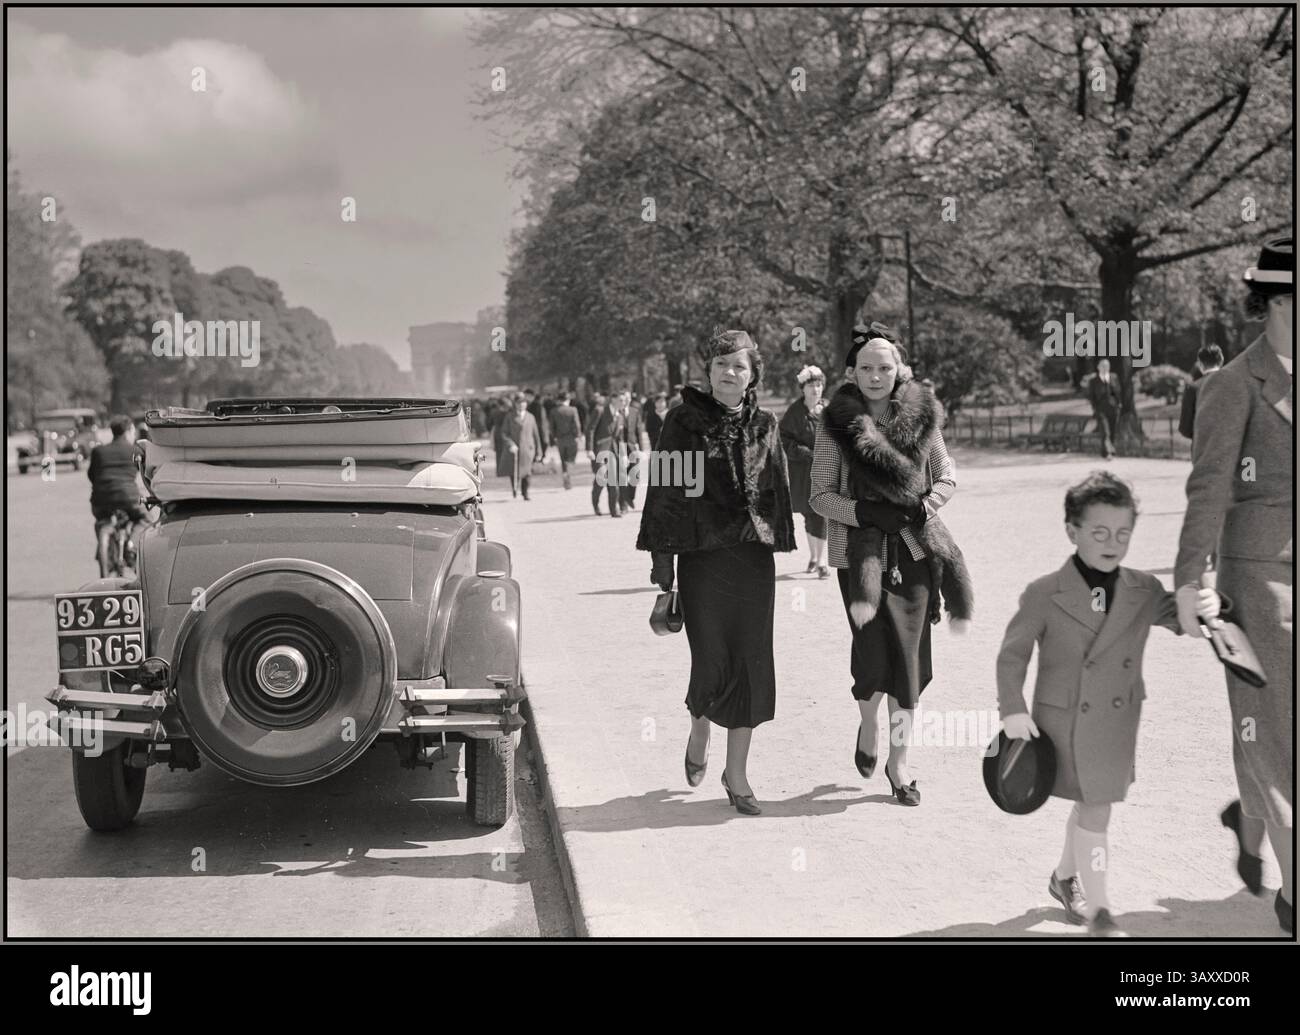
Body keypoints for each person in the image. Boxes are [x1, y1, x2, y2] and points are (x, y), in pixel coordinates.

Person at [998, 472, 1213, 936]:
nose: (1112, 543)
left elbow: (1181, 617)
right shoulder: (1044, 592)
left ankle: (1064, 880)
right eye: (1099, 532)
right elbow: (1012, 654)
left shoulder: (1143, 589)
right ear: (1072, 531)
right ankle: (1098, 911)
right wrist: (1012, 709)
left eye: (1123, 533)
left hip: (1115, 722)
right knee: (1093, 806)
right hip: (1061, 723)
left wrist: (1209, 606)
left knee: (1093, 805)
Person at [1174, 235, 1293, 934]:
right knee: (1276, 737)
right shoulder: (1231, 385)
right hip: (1263, 587)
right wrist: (1194, 580)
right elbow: (1208, 491)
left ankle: (1251, 818)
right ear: (1279, 302)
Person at [637, 330, 795, 815]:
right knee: (711, 658)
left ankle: (738, 774)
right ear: (708, 371)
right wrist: (663, 562)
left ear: (753, 376)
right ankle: (700, 721)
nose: (730, 373)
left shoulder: (766, 424)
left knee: (752, 660)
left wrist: (782, 535)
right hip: (703, 560)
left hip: (752, 560)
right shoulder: (682, 422)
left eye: (740, 366)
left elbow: (778, 486)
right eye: (722, 364)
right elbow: (665, 492)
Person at [810, 325, 964, 808]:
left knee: (909, 663)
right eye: (866, 368)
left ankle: (900, 765)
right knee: (873, 658)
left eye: (884, 366)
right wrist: (863, 514)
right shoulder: (835, 424)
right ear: (852, 373)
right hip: (860, 558)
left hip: (915, 554)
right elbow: (818, 496)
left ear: (899, 369)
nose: (876, 375)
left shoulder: (923, 416)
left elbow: (948, 475)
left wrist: (926, 505)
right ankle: (869, 722)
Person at [779, 364, 829, 577]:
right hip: (802, 471)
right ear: (803, 389)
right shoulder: (794, 412)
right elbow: (783, 438)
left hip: (825, 470)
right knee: (809, 513)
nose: (815, 390)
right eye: (811, 386)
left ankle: (823, 561)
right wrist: (804, 452)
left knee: (824, 513)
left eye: (818, 385)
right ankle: (814, 557)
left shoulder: (829, 410)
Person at [88, 415, 149, 576]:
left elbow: (92, 476)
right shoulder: (135, 450)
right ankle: (132, 546)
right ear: (129, 431)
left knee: (100, 521)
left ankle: (105, 553)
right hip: (128, 498)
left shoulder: (98, 451)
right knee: (145, 518)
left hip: (101, 500)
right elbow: (146, 475)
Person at [494, 393, 542, 500]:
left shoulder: (531, 417)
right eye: (519, 403)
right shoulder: (509, 417)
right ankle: (515, 488)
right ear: (515, 404)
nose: (522, 405)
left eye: (524, 402)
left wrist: (539, 451)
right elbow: (504, 433)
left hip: (528, 449)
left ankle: (525, 493)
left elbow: (536, 435)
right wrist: (510, 444)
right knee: (514, 471)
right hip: (514, 449)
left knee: (527, 472)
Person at [585, 391, 624, 517]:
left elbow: (619, 437)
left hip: (613, 452)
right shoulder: (600, 411)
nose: (624, 403)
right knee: (601, 480)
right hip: (599, 451)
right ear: (613, 399)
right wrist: (589, 449)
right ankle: (595, 503)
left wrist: (623, 454)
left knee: (614, 481)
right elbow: (590, 430)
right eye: (621, 400)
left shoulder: (620, 415)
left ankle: (614, 510)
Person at [1177, 345, 1224, 441]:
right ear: (1221, 360)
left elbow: (1185, 428)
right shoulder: (1234, 384)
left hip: (1202, 448)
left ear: (1200, 364)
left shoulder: (1193, 388)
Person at [619, 388, 650, 512]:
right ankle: (623, 505)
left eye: (627, 398)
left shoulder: (635, 411)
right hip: (620, 448)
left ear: (630, 399)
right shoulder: (616, 412)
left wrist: (641, 449)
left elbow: (638, 431)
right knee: (621, 477)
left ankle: (629, 497)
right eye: (623, 399)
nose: (625, 400)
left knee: (634, 477)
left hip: (633, 447)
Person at [1086, 358, 1122, 459]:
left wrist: (1119, 404)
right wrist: (1095, 408)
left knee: (1113, 430)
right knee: (1105, 431)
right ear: (1098, 367)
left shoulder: (1114, 377)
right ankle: (1108, 452)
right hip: (1101, 409)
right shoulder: (1094, 381)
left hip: (1113, 408)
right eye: (1103, 366)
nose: (1105, 368)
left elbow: (1118, 392)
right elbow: (1091, 396)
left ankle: (1107, 449)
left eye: (1107, 366)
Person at [549, 391, 583, 490]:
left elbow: (551, 426)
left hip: (560, 438)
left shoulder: (554, 411)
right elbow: (577, 424)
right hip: (571, 438)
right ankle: (567, 473)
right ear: (567, 400)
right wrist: (578, 435)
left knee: (563, 458)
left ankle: (566, 478)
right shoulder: (573, 410)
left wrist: (554, 436)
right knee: (571, 458)